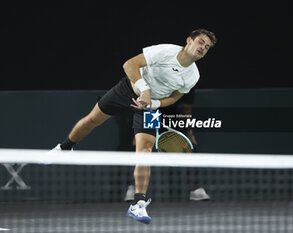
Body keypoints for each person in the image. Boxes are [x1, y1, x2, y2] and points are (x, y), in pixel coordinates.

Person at [50, 29, 216, 224]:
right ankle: (64, 147)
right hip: (128, 90)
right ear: (189, 41)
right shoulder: (165, 51)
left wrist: (154, 104)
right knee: (91, 120)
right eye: (201, 42)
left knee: (144, 150)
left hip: (150, 107)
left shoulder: (192, 76)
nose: (203, 48)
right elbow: (130, 64)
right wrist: (144, 90)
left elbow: (174, 97)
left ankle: (137, 204)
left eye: (207, 47)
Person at [124, 89, 210, 202]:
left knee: (189, 147)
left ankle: (196, 190)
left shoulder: (188, 81)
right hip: (151, 113)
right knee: (140, 150)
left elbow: (187, 108)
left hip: (171, 116)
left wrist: (189, 133)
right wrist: (137, 133)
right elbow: (138, 102)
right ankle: (133, 188)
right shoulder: (152, 76)